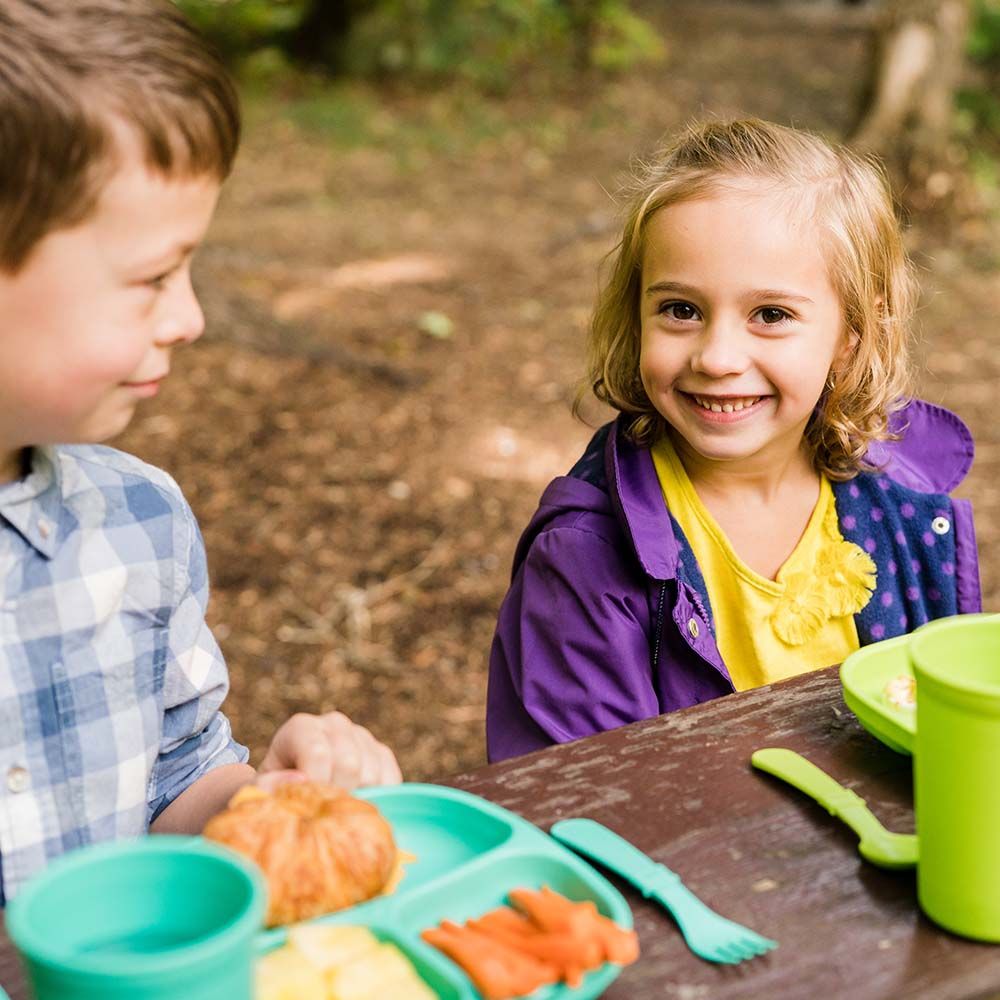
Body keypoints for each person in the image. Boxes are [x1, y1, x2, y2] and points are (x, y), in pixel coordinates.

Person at [0, 0, 401, 902]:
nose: (191, 320)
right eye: (150, 280)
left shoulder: (138, 523)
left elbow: (172, 789)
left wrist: (267, 804)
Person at [487, 118, 981, 762]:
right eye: (681, 310)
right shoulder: (588, 558)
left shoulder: (906, 511)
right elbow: (581, 799)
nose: (718, 357)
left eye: (770, 315)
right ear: (636, 316)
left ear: (850, 336)